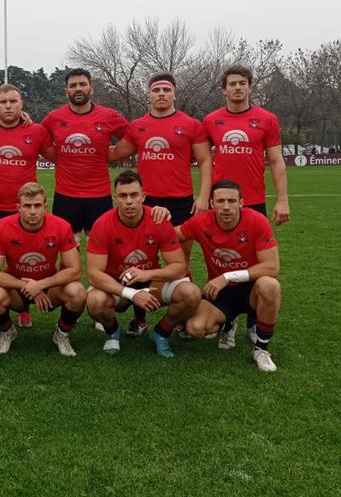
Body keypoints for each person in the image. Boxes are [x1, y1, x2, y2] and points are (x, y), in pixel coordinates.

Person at [106, 72, 212, 336]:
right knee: (143, 260)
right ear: (149, 95)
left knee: (181, 261)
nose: (161, 94)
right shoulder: (138, 126)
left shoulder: (191, 124)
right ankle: (140, 318)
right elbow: (116, 153)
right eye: (156, 90)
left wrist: (202, 197)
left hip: (181, 202)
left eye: (166, 90)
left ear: (174, 93)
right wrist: (80, 143)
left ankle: (178, 319)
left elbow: (205, 161)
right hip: (146, 201)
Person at [203, 65, 290, 347]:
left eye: (242, 83)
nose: (237, 87)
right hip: (220, 203)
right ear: (223, 90)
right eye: (232, 84)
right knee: (219, 258)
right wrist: (203, 197)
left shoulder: (267, 119)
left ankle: (254, 320)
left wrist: (283, 199)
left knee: (256, 264)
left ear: (250, 87)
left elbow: (276, 160)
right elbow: (203, 160)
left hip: (253, 202)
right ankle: (227, 318)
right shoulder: (211, 120)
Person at [84, 171, 201, 357]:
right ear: (115, 198)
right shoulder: (102, 224)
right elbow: (93, 274)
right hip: (118, 283)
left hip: (151, 282)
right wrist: (131, 293)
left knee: (191, 293)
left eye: (134, 195)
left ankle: (161, 333)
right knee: (95, 301)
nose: (129, 201)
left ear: (143, 196)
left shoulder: (158, 220)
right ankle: (112, 331)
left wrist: (147, 274)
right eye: (123, 196)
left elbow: (180, 266)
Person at [175, 180, 283, 372]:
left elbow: (272, 267)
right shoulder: (201, 222)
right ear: (212, 203)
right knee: (194, 328)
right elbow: (171, 235)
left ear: (241, 202)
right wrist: (153, 216)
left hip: (251, 289)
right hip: (222, 293)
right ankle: (228, 323)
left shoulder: (257, 220)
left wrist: (228, 276)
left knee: (270, 285)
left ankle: (261, 349)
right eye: (220, 201)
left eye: (232, 201)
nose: (226, 206)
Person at [0, 84, 53, 329]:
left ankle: (23, 307)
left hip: (24, 209)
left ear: (21, 104)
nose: (8, 106)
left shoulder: (36, 131)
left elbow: (58, 156)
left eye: (13, 101)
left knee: (21, 261)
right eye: (3, 102)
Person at [0, 182, 87, 356]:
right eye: (27, 206)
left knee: (78, 292)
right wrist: (28, 286)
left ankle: (61, 333)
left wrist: (40, 285)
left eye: (37, 206)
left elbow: (75, 270)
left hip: (49, 288)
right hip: (16, 287)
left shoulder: (61, 226)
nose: (32, 211)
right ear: (18, 207)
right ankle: (7, 331)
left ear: (45, 207)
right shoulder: (3, 226)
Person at [41, 68, 128, 236]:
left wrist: (111, 154)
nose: (78, 88)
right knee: (67, 246)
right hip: (65, 195)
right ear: (66, 91)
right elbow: (39, 140)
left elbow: (131, 138)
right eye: (73, 86)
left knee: (100, 246)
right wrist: (62, 158)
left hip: (99, 195)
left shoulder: (109, 116)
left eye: (82, 84)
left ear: (91, 89)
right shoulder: (54, 117)